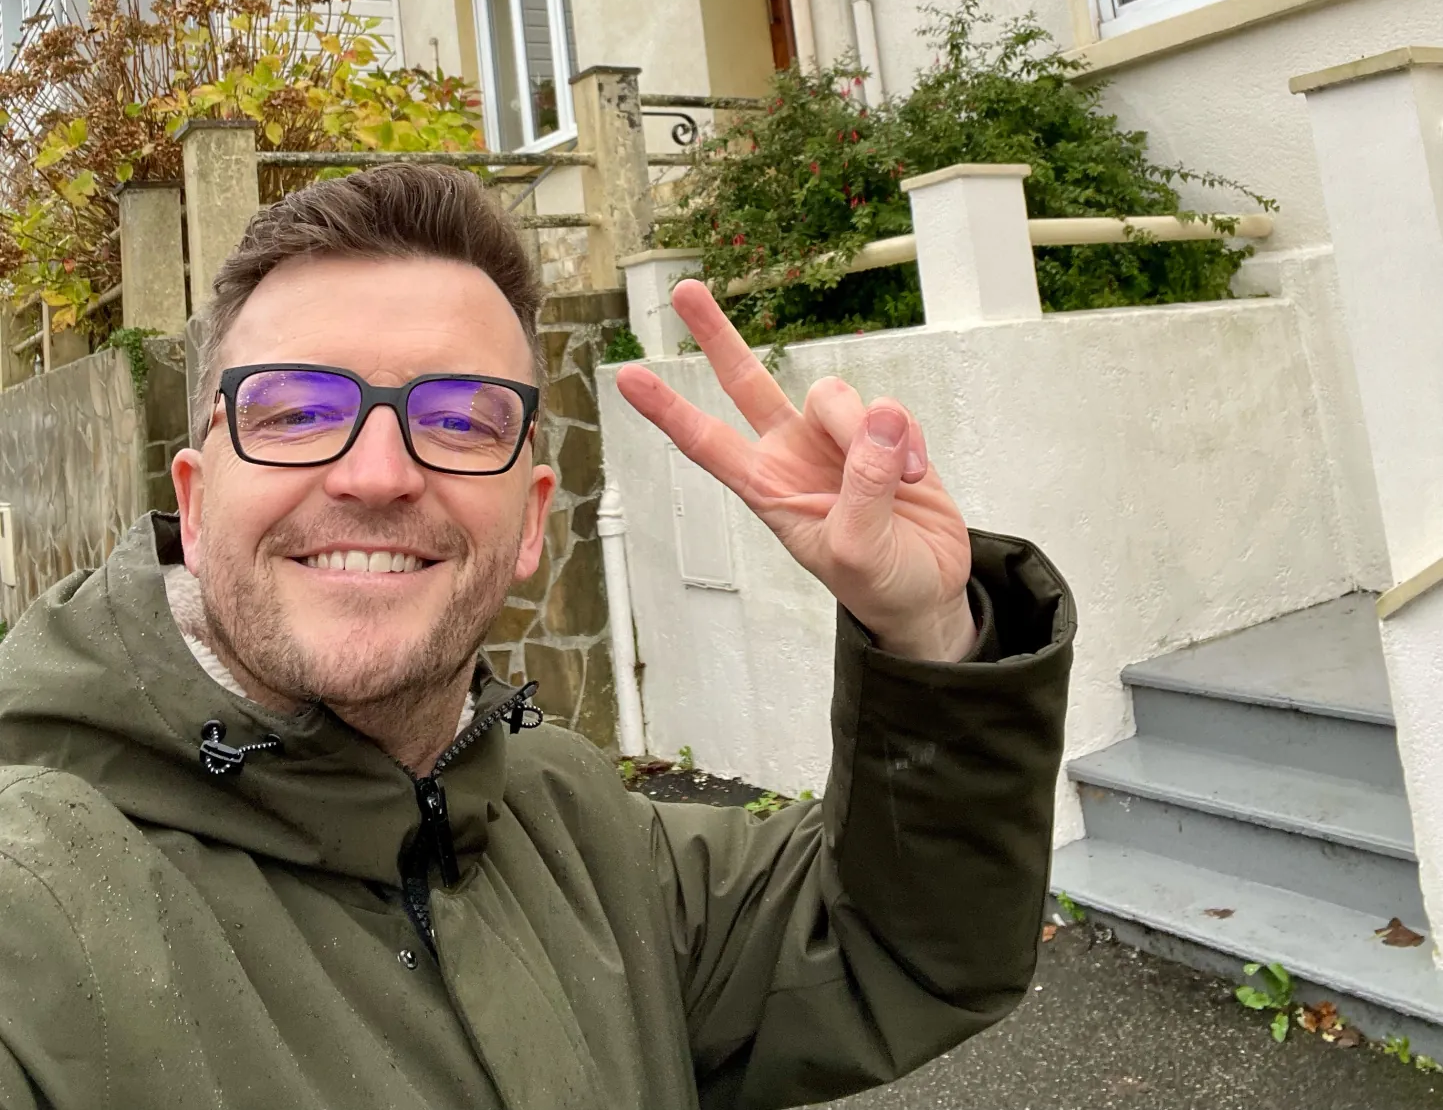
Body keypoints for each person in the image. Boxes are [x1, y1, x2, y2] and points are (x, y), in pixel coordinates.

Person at [0, 164, 1072, 1110]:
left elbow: (904, 943)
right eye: (296, 411)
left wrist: (926, 627)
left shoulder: (578, 831)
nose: (376, 474)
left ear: (530, 522)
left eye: (460, 420)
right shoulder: (35, 909)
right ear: (194, 503)